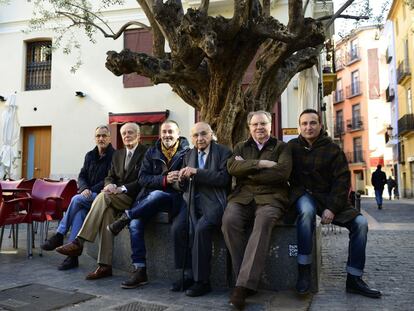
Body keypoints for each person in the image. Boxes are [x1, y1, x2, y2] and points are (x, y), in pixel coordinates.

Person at [289, 109, 381, 298]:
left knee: (361, 224)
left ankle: (354, 278)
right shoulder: (290, 147)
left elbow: (342, 181)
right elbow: (279, 168)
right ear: (299, 126)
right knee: (306, 213)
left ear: (320, 125)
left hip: (328, 198)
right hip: (302, 194)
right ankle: (304, 271)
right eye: (304, 123)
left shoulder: (333, 149)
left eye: (313, 123)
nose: (308, 127)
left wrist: (332, 208)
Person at [56, 122, 147, 280]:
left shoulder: (146, 153)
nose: (126, 136)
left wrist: (121, 188)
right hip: (115, 196)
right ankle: (105, 266)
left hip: (134, 198)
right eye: (124, 133)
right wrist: (109, 184)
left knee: (103, 196)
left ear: (138, 136)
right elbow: (109, 176)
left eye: (130, 132)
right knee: (106, 214)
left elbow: (143, 180)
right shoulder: (118, 154)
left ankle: (79, 241)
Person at [221, 111, 292, 310]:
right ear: (249, 127)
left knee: (262, 223)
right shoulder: (241, 146)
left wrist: (248, 171)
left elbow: (282, 173)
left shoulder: (282, 147)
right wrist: (260, 164)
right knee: (229, 221)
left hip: (271, 198)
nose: (259, 127)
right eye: (255, 124)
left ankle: (242, 287)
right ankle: (244, 278)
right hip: (242, 197)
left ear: (270, 125)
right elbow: (232, 167)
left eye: (263, 123)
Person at [106, 120, 189, 289]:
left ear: (178, 134)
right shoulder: (152, 152)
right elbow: (143, 178)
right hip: (149, 199)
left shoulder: (187, 152)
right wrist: (164, 179)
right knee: (136, 223)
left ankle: (125, 216)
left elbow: (189, 179)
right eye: (164, 132)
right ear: (160, 134)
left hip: (175, 199)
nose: (167, 135)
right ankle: (140, 270)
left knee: (156, 195)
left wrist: (178, 178)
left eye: (170, 132)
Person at [41, 125, 115, 270]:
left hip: (102, 196)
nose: (101, 138)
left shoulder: (115, 156)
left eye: (104, 136)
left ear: (109, 138)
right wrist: (84, 188)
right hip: (88, 195)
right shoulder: (89, 155)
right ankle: (72, 257)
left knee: (76, 199)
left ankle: (59, 234)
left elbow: (110, 178)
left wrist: (90, 189)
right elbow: (82, 175)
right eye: (98, 136)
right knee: (79, 215)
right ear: (95, 138)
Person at [171, 122, 232, 297]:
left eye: (203, 134)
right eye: (196, 135)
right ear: (191, 138)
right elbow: (181, 186)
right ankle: (188, 274)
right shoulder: (188, 154)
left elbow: (223, 179)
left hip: (214, 203)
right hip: (191, 202)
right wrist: (180, 178)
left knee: (201, 229)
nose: (200, 139)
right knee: (177, 228)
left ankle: (202, 281)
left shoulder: (223, 152)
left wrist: (197, 172)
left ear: (211, 134)